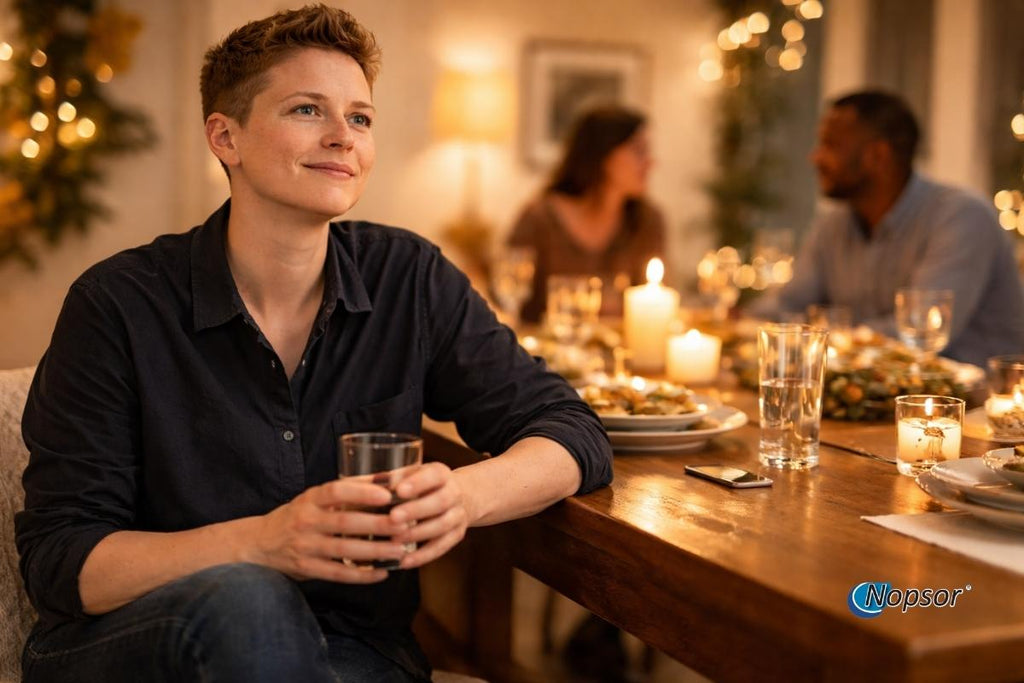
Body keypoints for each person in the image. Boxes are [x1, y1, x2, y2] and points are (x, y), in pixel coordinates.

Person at [14, 6, 612, 683]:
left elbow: (573, 432)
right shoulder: (117, 304)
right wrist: (263, 544)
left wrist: (463, 495)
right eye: (307, 110)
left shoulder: (407, 279)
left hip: (352, 654)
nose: (342, 137)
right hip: (143, 646)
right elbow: (62, 561)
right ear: (225, 137)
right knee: (249, 597)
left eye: (360, 117)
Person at [756, 89, 1024, 367]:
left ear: (878, 156)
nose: (816, 157)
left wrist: (824, 337)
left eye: (831, 145)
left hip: (974, 401)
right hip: (869, 392)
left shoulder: (962, 217)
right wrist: (736, 321)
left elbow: (919, 335)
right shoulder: (833, 224)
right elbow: (788, 304)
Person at [508, 105, 668, 323]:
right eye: (639, 151)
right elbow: (509, 297)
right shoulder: (541, 219)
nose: (650, 162)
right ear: (603, 155)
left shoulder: (647, 221)